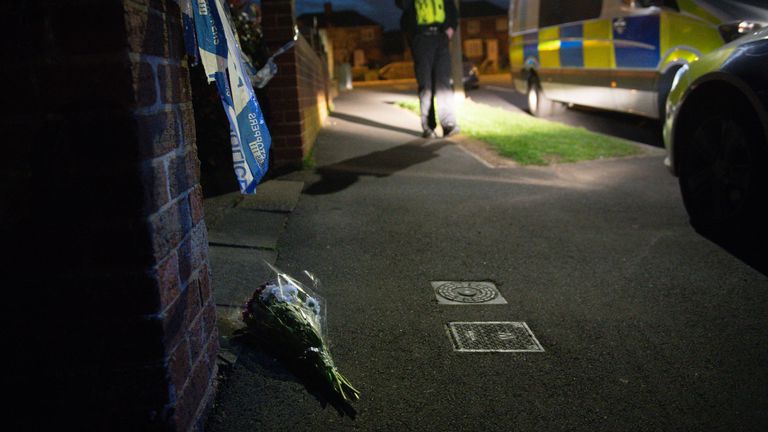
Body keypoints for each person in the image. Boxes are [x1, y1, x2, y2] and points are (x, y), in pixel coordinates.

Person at [396, 0, 460, 138]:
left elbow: (452, 10)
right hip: (421, 39)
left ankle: (448, 124)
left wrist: (451, 29)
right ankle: (428, 126)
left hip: (441, 38)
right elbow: (402, 5)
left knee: (443, 83)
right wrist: (413, 36)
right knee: (426, 84)